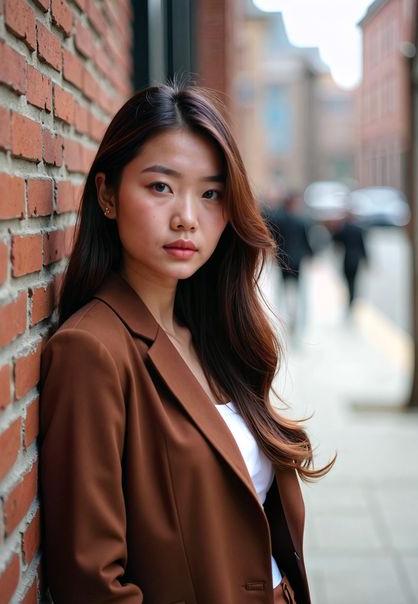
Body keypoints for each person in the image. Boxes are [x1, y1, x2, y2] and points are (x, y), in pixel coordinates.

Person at [39, 84, 333, 604]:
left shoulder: (213, 335)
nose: (187, 218)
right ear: (107, 195)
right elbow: (91, 584)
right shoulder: (93, 351)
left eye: (211, 193)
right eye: (160, 187)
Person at [265, 193, 313, 337]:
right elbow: (306, 241)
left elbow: (271, 238)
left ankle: (283, 316)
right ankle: (295, 318)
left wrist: (271, 255)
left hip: (283, 259)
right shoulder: (300, 220)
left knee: (282, 289)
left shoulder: (277, 219)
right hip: (297, 260)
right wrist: (310, 255)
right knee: (299, 291)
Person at [329, 214, 367, 309]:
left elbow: (335, 240)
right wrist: (366, 259)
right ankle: (352, 297)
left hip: (347, 258)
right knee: (353, 280)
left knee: (347, 279)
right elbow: (362, 246)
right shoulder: (358, 230)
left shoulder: (343, 229)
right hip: (356, 258)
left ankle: (350, 297)